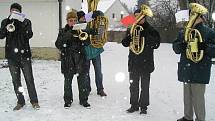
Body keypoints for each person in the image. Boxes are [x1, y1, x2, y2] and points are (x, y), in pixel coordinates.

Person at [173, 4, 215, 121]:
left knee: (198, 99)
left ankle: (200, 119)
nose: (191, 17)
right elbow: (175, 47)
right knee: (187, 97)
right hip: (186, 69)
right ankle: (188, 117)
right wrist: (181, 45)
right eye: (191, 15)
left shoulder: (209, 32)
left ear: (200, 17)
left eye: (194, 15)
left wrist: (205, 47)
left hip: (200, 69)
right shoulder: (184, 32)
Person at [0, 3, 40, 110]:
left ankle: (34, 101)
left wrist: (21, 24)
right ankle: (20, 101)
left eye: (16, 11)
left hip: (24, 56)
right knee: (16, 81)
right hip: (11, 57)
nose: (14, 12)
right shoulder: (5, 21)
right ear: (10, 11)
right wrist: (8, 22)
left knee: (29, 79)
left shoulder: (26, 22)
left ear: (20, 12)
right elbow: (1, 35)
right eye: (12, 10)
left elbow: (29, 35)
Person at [121, 8, 160, 114]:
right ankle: (134, 105)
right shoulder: (131, 28)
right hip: (134, 62)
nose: (137, 18)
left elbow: (156, 44)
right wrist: (129, 38)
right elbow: (124, 43)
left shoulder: (151, 29)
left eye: (140, 16)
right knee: (133, 85)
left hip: (146, 62)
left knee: (145, 86)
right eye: (136, 16)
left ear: (144, 17)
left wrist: (145, 36)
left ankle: (143, 106)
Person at [55, 11, 90, 108]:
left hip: (80, 59)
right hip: (68, 60)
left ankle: (84, 100)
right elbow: (58, 44)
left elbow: (87, 43)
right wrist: (69, 34)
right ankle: (68, 100)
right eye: (71, 21)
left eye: (75, 20)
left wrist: (85, 36)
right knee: (67, 82)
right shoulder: (63, 31)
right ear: (67, 21)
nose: (73, 22)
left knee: (82, 81)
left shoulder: (81, 29)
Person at [77, 10, 107, 97]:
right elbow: (86, 32)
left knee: (98, 71)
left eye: (84, 17)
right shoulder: (77, 26)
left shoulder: (89, 20)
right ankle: (87, 88)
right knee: (86, 72)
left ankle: (100, 89)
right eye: (81, 18)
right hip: (85, 51)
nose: (83, 19)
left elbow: (101, 14)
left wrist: (97, 14)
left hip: (95, 49)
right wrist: (91, 31)